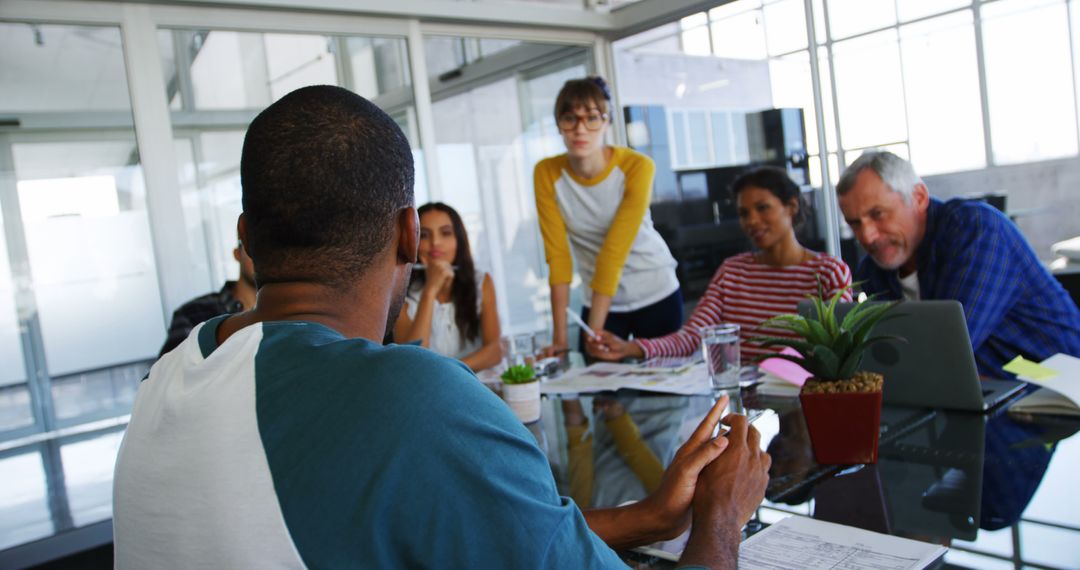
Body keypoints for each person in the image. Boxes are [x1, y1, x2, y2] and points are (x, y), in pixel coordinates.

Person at [113, 85, 770, 568]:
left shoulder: (163, 383)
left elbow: (495, 532)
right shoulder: (415, 398)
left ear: (246, 240)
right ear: (408, 236)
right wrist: (721, 517)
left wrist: (652, 517)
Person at [836, 151, 1080, 378]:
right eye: (855, 223)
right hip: (991, 390)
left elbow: (947, 352)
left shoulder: (974, 230)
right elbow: (895, 359)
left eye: (878, 214)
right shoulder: (875, 269)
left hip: (1055, 385)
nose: (867, 236)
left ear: (919, 197)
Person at [588, 166, 852, 362]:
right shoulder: (733, 271)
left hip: (802, 403)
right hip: (743, 408)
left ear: (791, 207)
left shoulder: (828, 273)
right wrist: (629, 348)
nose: (752, 221)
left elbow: (839, 354)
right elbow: (693, 336)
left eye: (763, 208)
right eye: (743, 213)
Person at [534, 76, 682, 356]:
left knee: (663, 392)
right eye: (569, 118)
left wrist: (595, 332)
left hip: (654, 291)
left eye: (591, 118)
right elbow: (559, 258)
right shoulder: (546, 173)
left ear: (607, 122)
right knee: (600, 394)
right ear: (558, 124)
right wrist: (560, 340)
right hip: (599, 299)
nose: (580, 129)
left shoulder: (637, 166)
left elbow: (613, 252)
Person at [393, 202, 501, 372]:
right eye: (425, 235)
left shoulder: (481, 281)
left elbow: (495, 351)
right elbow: (412, 362)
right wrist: (430, 290)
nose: (435, 242)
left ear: (459, 239)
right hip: (431, 393)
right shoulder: (400, 295)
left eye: (445, 233)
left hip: (478, 387)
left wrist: (450, 371)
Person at [157, 241, 255, 356]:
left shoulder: (280, 316)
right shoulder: (192, 314)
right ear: (237, 253)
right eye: (256, 246)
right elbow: (168, 372)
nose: (265, 257)